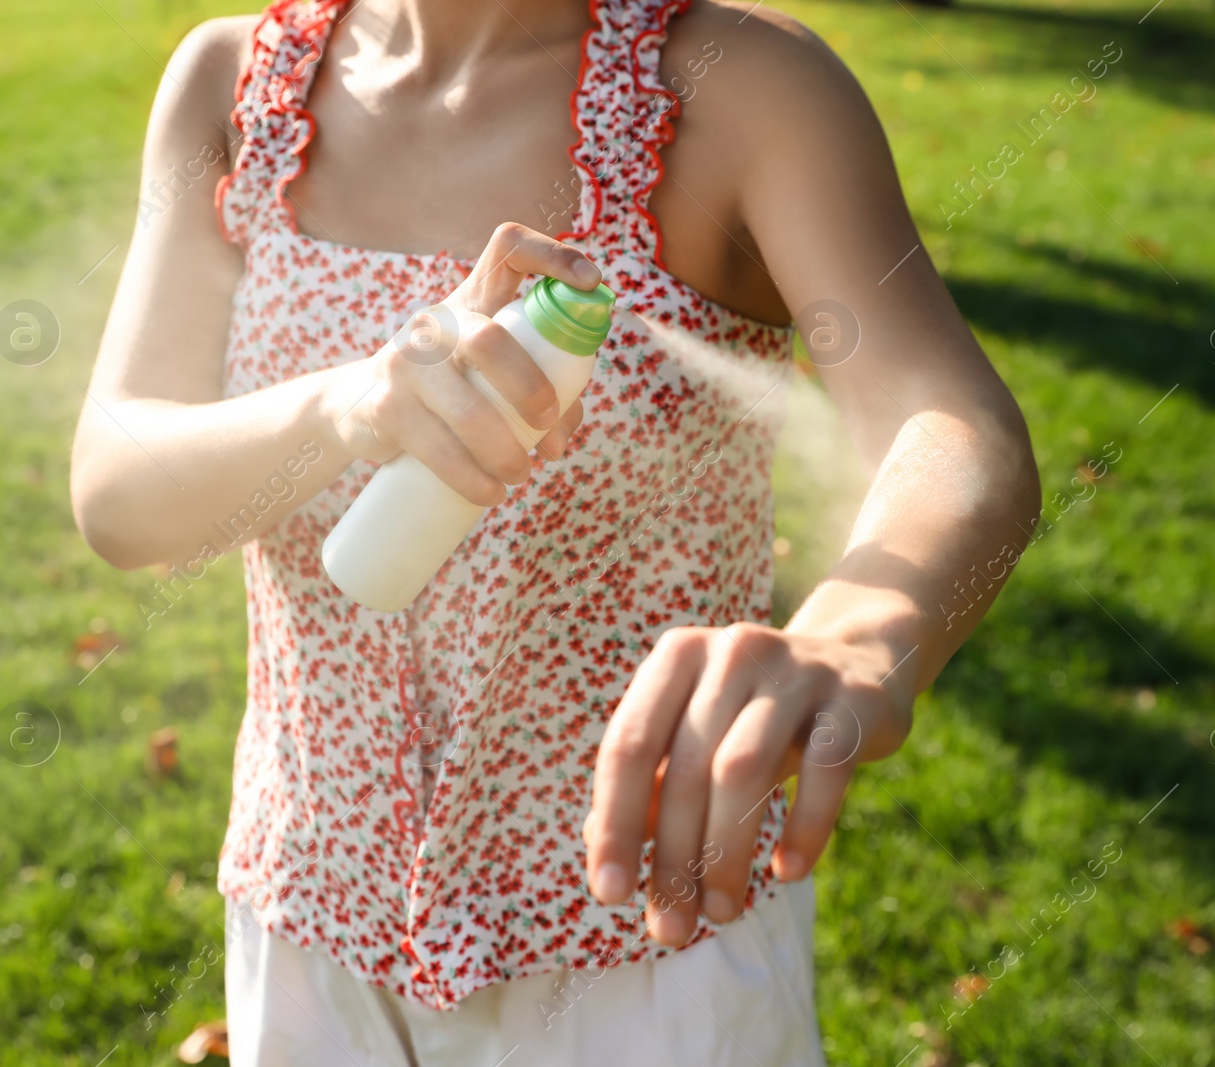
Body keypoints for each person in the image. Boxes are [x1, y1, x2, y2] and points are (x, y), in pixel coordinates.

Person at [70, 0, 1039, 1063]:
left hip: (642, 946)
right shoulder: (236, 83)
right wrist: (344, 408)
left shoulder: (737, 87)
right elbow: (120, 489)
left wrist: (853, 633)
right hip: (309, 920)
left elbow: (952, 430)